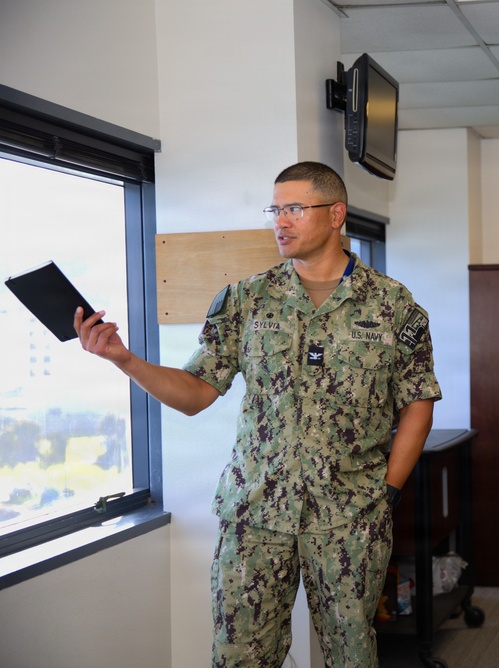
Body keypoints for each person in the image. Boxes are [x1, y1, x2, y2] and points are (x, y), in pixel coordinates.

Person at [75, 161, 440, 667]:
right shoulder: (246, 299)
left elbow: (418, 402)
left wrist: (387, 492)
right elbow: (196, 392)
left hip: (350, 516)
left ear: (336, 214)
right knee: (240, 655)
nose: (280, 222)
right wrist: (126, 360)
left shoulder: (393, 305)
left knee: (352, 654)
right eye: (275, 210)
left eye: (295, 209)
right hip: (254, 513)